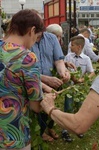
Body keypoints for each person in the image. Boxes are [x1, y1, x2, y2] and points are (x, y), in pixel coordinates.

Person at [0, 9, 55, 150]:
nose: (34, 42)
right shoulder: (27, 58)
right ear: (32, 30)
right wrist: (49, 98)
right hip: (13, 135)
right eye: (36, 37)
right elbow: (35, 106)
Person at [31, 24, 71, 142]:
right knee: (37, 110)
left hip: (53, 82)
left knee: (52, 105)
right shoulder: (27, 39)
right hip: (34, 82)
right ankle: (41, 132)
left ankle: (48, 128)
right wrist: (46, 80)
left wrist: (63, 72)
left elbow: (59, 60)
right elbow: (26, 70)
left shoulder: (51, 39)